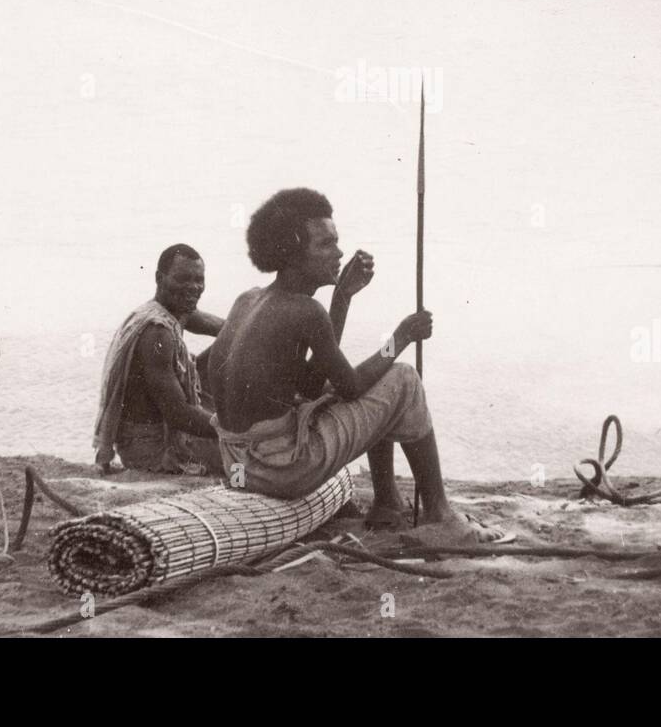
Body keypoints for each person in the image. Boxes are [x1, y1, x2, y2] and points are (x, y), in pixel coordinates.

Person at [209, 189, 507, 543]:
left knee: (371, 381)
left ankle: (386, 504)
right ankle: (439, 513)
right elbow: (351, 386)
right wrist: (401, 336)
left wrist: (342, 298)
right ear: (291, 252)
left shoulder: (249, 299)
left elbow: (308, 385)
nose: (338, 253)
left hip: (238, 463)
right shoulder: (304, 310)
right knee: (403, 379)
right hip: (281, 469)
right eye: (326, 244)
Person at [94, 244, 225, 475]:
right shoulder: (157, 332)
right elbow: (179, 414)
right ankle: (239, 490)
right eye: (183, 279)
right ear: (159, 279)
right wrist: (234, 431)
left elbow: (229, 330)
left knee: (230, 345)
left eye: (199, 280)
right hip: (152, 448)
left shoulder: (174, 311)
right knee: (241, 463)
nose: (193, 287)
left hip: (167, 427)